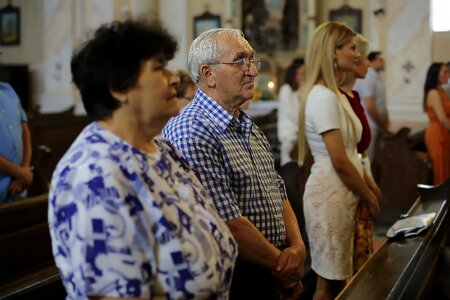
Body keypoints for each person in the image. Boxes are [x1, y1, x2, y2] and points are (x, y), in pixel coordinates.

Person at [48, 19, 237, 299]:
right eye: (158, 67)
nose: (174, 77)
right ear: (118, 88)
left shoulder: (162, 150)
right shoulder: (94, 175)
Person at [162, 28, 306, 300]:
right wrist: (284, 267)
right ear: (208, 74)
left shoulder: (246, 124)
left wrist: (297, 249)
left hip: (269, 270)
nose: (252, 70)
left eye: (252, 60)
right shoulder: (192, 129)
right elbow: (226, 222)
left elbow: (278, 191)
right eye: (240, 60)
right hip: (234, 276)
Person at [298, 21, 380, 299]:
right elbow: (340, 161)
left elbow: (353, 151)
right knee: (328, 284)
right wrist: (368, 195)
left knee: (339, 280)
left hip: (343, 193)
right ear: (333, 52)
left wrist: (365, 187)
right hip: (330, 195)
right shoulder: (322, 97)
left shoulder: (336, 95)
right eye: (352, 48)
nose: (357, 54)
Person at [338, 34, 382, 273]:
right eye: (363, 57)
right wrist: (368, 190)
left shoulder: (353, 95)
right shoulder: (338, 97)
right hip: (350, 184)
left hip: (360, 175)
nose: (365, 62)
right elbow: (344, 154)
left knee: (361, 262)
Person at [0, 81, 33, 203]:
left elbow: (25, 133)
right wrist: (21, 173)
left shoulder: (8, 90)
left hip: (18, 190)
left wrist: (24, 169)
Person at [354, 51, 390, 161]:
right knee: (366, 158)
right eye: (380, 60)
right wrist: (380, 123)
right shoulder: (368, 76)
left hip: (376, 124)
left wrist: (386, 119)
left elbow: (381, 103)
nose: (383, 62)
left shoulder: (376, 77)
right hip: (370, 124)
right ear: (371, 61)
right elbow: (369, 105)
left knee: (374, 158)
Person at [423, 62, 450, 185]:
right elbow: (443, 119)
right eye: (445, 72)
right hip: (438, 133)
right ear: (435, 74)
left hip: (445, 131)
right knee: (440, 168)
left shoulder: (442, 91)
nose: (448, 75)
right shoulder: (433, 93)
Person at [277, 58, 306, 166]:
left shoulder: (300, 90)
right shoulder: (286, 89)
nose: (301, 77)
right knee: (288, 166)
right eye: (298, 73)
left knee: (300, 165)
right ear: (292, 74)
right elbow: (292, 112)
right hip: (289, 133)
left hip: (300, 133)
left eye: (303, 74)